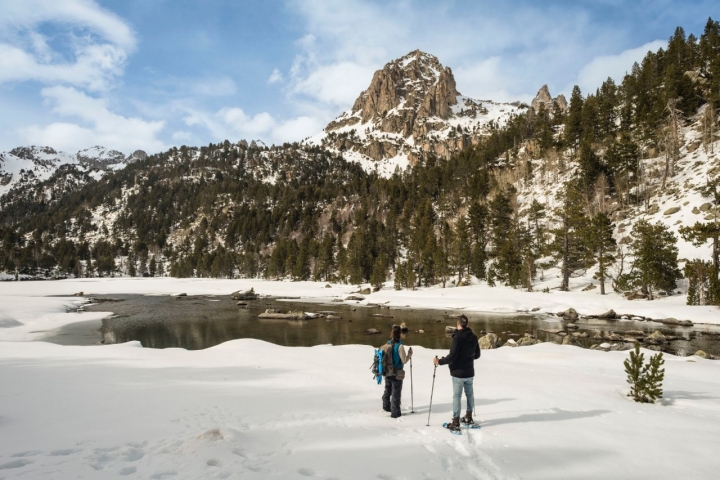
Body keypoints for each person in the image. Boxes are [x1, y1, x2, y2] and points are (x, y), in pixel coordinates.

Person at [433, 314, 480, 433]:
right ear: (467, 324)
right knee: (469, 394)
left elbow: (452, 356)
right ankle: (468, 417)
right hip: (469, 372)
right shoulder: (473, 337)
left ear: (458, 325)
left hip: (458, 373)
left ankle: (456, 422)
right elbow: (477, 355)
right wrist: (467, 357)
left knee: (457, 397)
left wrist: (439, 361)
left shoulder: (457, 338)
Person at [381, 325, 413, 418]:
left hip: (387, 372)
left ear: (391, 333)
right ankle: (395, 413)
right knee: (396, 392)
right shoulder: (400, 346)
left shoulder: (387, 345)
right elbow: (404, 361)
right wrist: (409, 354)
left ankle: (386, 406)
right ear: (400, 334)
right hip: (397, 373)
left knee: (388, 389)